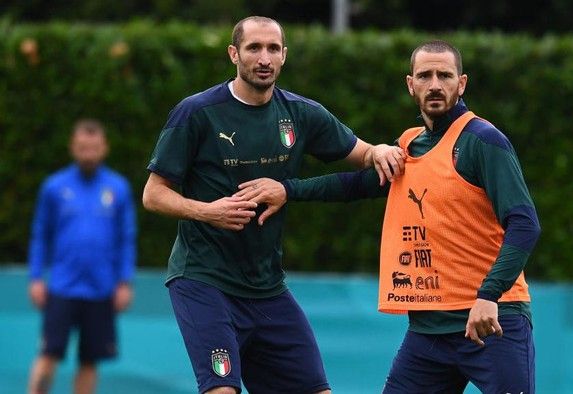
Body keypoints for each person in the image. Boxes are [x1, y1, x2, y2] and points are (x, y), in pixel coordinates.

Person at [237, 40, 541, 394]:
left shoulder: (483, 141)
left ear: (462, 84)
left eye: (445, 75)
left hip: (491, 320)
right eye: (425, 75)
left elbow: (524, 224)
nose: (435, 84)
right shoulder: (410, 145)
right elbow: (355, 185)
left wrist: (489, 295)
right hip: (428, 331)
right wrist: (288, 190)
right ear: (411, 85)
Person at [141, 16, 403, 394]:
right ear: (234, 54)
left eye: (272, 49)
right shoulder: (196, 112)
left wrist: (380, 150)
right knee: (222, 390)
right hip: (204, 280)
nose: (264, 58)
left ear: (284, 57)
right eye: (253, 48)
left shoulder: (301, 113)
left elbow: (362, 153)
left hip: (267, 287)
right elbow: (154, 193)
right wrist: (208, 211)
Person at [27, 119, 136, 394]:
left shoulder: (118, 188)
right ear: (73, 148)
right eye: (82, 147)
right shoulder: (54, 187)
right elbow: (40, 235)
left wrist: (124, 282)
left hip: (101, 289)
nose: (88, 153)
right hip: (62, 287)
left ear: (104, 148)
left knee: (90, 361)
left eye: (94, 147)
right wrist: (36, 277)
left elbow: (126, 238)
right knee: (48, 353)